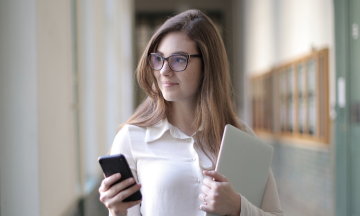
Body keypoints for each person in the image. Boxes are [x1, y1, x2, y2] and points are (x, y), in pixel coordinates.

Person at [98, 9, 283, 216]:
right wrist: (116, 211)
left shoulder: (241, 136)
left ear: (207, 66)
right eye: (158, 59)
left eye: (178, 59)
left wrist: (238, 207)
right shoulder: (131, 139)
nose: (164, 71)